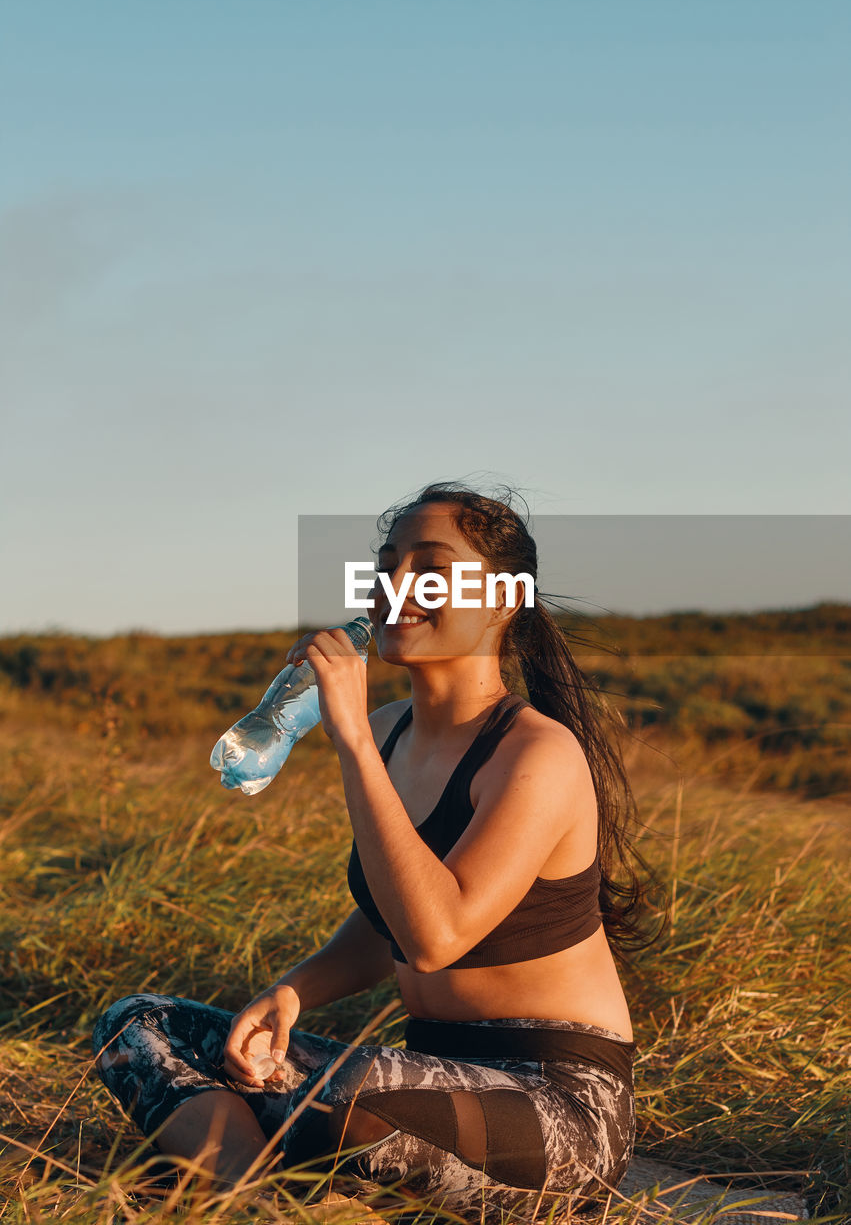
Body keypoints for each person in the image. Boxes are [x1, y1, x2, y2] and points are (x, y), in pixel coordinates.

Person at [92, 481, 656, 1221]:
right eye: (386, 565)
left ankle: (238, 1167)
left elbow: (432, 937)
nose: (394, 587)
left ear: (504, 599)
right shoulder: (394, 730)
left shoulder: (534, 755)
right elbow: (385, 915)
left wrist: (350, 737)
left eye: (428, 566)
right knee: (139, 1027)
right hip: (428, 1071)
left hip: (556, 1109)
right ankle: (246, 1202)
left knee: (343, 1099)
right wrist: (293, 991)